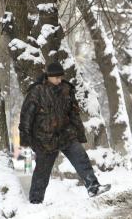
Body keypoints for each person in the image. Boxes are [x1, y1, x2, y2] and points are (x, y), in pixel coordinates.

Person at [19, 61, 110, 204]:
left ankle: (93, 186)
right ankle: (35, 202)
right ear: (48, 76)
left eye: (60, 77)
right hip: (45, 138)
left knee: (81, 158)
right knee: (42, 172)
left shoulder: (66, 89)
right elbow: (26, 115)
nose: (59, 80)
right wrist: (25, 138)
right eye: (56, 77)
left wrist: (79, 133)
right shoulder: (37, 91)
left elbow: (74, 113)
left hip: (66, 134)